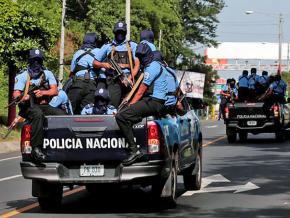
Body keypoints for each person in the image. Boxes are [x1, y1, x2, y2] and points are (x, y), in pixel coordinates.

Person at [115, 43, 167, 165]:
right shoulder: (153, 65)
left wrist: (129, 105)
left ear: (148, 55)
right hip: (153, 101)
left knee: (121, 116)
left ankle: (134, 150)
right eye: (139, 56)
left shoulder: (151, 68)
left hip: (155, 102)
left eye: (142, 56)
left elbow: (140, 92)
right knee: (130, 115)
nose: (141, 59)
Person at [13, 49, 66, 162]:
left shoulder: (47, 74)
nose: (36, 64)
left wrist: (43, 93)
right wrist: (23, 97)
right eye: (33, 61)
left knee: (61, 114)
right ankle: (37, 148)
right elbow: (16, 93)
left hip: (44, 105)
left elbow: (55, 91)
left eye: (38, 61)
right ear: (29, 61)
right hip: (29, 107)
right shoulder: (23, 76)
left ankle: (63, 146)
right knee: (37, 114)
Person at [93, 21, 140, 108]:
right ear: (115, 32)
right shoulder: (108, 46)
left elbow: (137, 65)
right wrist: (104, 65)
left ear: (125, 32)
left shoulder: (132, 45)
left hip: (129, 79)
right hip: (114, 80)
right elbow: (95, 63)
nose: (120, 35)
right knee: (112, 105)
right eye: (118, 32)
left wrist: (129, 79)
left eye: (122, 32)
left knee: (132, 106)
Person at [67, 32, 100, 114]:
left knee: (69, 109)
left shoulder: (78, 53)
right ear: (95, 42)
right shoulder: (99, 52)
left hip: (78, 84)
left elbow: (72, 72)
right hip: (92, 85)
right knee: (87, 112)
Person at [153, 50, 179, 115]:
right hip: (171, 105)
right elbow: (177, 89)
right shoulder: (171, 71)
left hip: (157, 105)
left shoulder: (152, 70)